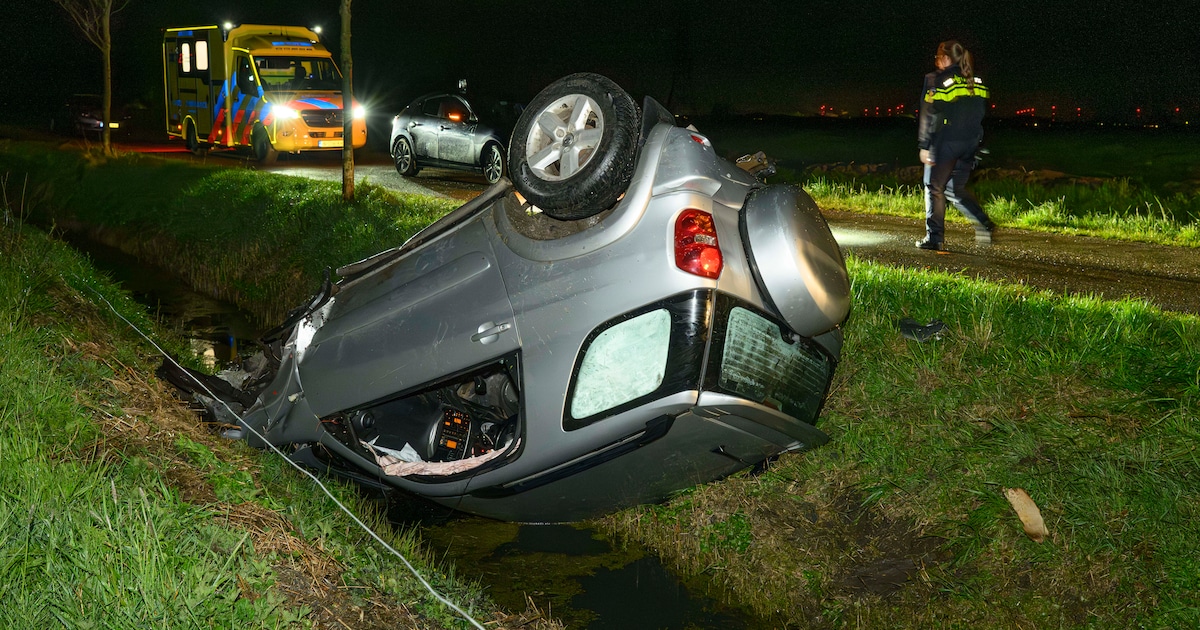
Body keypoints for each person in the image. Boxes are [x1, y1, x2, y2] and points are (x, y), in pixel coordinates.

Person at [916, 40, 996, 250]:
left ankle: (935, 239)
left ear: (945, 58)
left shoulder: (936, 80)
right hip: (970, 144)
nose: (936, 62)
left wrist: (925, 145)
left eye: (937, 57)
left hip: (945, 143)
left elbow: (928, 114)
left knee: (934, 187)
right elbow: (981, 113)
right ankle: (984, 223)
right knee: (955, 189)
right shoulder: (977, 81)